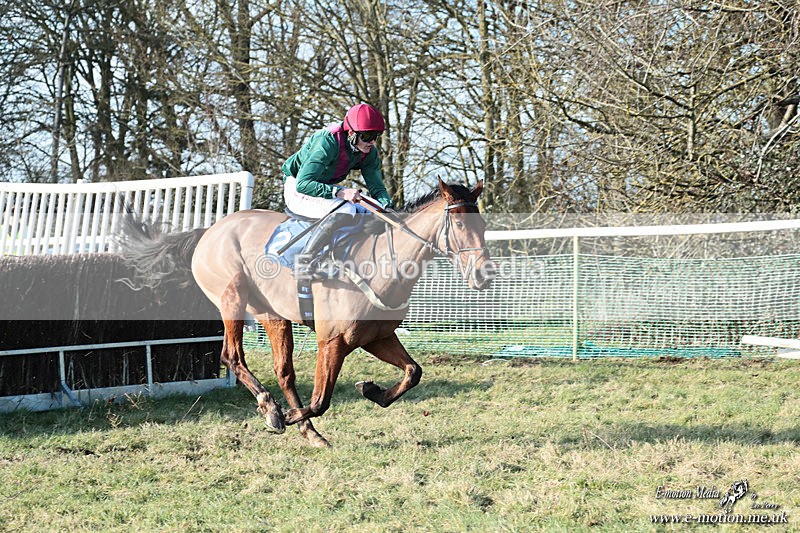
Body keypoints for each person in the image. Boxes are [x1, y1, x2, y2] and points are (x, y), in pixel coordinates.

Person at [282, 103, 393, 278]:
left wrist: (387, 207)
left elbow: (377, 187)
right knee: (346, 208)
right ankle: (304, 263)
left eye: (376, 136)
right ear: (351, 134)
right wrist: (340, 193)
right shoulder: (327, 141)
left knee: (375, 207)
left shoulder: (368, 151)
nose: (372, 142)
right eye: (367, 136)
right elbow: (303, 184)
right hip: (298, 187)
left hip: (322, 187)